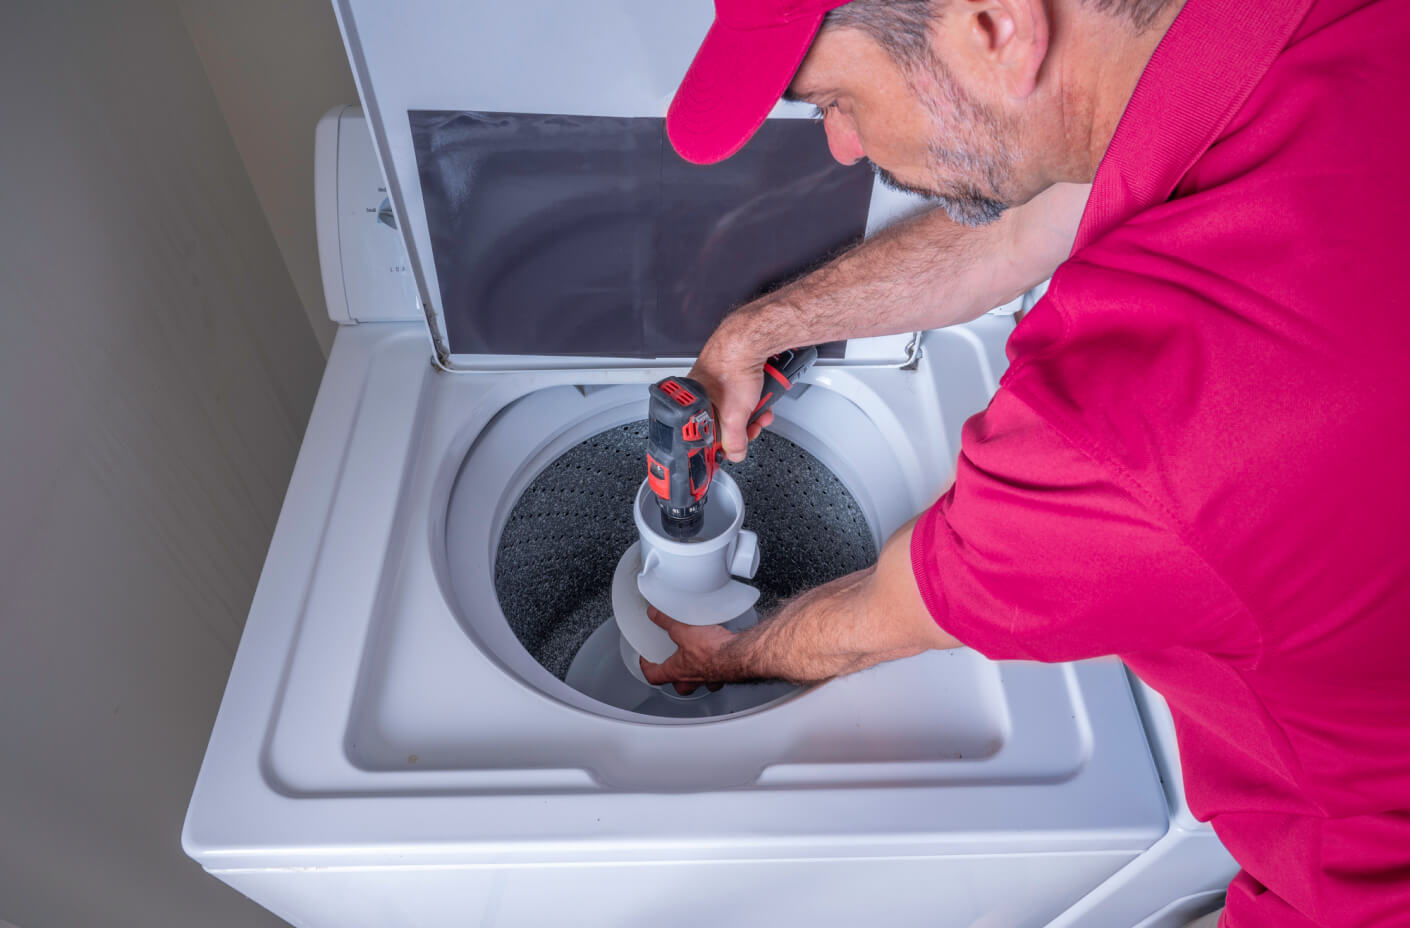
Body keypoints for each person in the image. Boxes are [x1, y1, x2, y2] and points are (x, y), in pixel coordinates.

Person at [637, 0, 1410, 925]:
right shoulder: (1310, 36)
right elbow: (1020, 229)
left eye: (835, 99)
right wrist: (759, 330)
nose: (841, 146)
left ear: (994, 25)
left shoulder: (1132, 433)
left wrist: (725, 658)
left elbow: (883, 616)